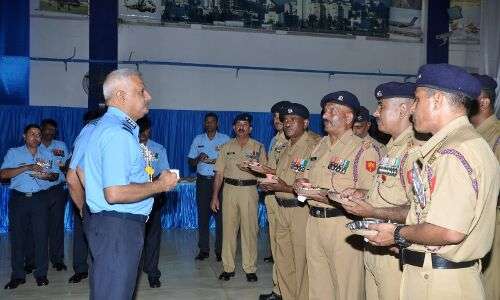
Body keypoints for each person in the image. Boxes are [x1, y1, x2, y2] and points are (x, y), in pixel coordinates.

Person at [366, 64, 500, 300]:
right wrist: (410, 241)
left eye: (417, 100)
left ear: (437, 100)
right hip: (436, 274)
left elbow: (448, 231)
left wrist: (398, 234)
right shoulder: (467, 142)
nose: (412, 110)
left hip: (438, 283)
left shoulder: (454, 151)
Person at [83, 68, 178, 299]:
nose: (149, 96)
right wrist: (160, 184)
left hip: (111, 225)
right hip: (118, 228)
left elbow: (85, 174)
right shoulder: (118, 133)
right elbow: (114, 193)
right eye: (141, 90)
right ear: (121, 96)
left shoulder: (109, 128)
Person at [294, 91, 380, 300]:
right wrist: (299, 183)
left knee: (347, 289)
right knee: (318, 287)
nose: (325, 115)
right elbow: (302, 176)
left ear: (349, 118)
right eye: (325, 110)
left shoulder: (363, 149)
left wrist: (354, 194)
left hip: (343, 226)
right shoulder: (319, 145)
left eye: (332, 110)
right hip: (314, 222)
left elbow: (372, 194)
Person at [340, 82, 417, 300]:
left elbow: (419, 211)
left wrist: (372, 211)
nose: (375, 112)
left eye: (381, 106)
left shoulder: (415, 151)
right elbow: (389, 192)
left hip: (395, 249)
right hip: (374, 246)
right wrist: (362, 192)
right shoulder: (391, 147)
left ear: (403, 110)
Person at [255, 102, 320, 300]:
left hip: (299, 209)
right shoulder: (286, 145)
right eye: (285, 120)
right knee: (283, 261)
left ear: (306, 122)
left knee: (301, 262)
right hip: (281, 208)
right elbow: (283, 174)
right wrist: (266, 177)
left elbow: (313, 185)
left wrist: (280, 187)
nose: (288, 123)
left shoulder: (314, 145)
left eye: (293, 120)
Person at [1, 124, 60, 289]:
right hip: (19, 199)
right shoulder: (14, 153)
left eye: (39, 134)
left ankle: (41, 274)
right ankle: (18, 275)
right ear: (24, 136)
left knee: (41, 237)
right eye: (32, 134)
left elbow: (55, 175)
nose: (36, 137)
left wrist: (47, 175)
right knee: (18, 238)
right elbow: (3, 174)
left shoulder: (46, 154)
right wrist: (27, 167)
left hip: (40, 199)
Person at [211, 113, 267, 282]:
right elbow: (219, 174)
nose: (241, 127)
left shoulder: (258, 147)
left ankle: (250, 268)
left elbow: (265, 172)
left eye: (245, 124)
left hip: (249, 191)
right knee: (228, 230)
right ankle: (228, 268)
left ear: (250, 128)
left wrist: (254, 170)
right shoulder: (225, 147)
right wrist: (215, 196)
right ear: (233, 127)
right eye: (238, 124)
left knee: (250, 230)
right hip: (229, 190)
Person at [66, 107, 107, 284]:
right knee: (83, 232)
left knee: (100, 235)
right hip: (86, 193)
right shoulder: (90, 131)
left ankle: (99, 270)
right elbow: (73, 171)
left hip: (104, 193)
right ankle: (81, 268)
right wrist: (82, 205)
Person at [469, 73, 499, 300]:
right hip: (470, 224)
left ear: (484, 102)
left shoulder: (496, 137)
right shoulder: (469, 136)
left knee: (489, 288)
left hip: (493, 225)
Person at [188, 112, 229, 262]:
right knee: (203, 217)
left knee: (221, 218)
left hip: (220, 182)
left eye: (212, 122)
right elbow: (191, 162)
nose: (209, 124)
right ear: (204, 124)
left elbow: (230, 161)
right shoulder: (198, 139)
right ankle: (204, 250)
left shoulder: (225, 139)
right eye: (207, 122)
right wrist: (198, 158)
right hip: (203, 182)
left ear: (217, 124)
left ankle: (220, 250)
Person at [137, 115, 171, 288]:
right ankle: (131, 272)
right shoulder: (127, 147)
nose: (144, 133)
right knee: (134, 237)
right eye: (140, 129)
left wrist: (157, 180)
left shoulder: (158, 148)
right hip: (132, 199)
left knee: (152, 236)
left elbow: (165, 172)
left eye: (146, 129)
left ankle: (152, 272)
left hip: (153, 198)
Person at [262, 100, 291, 299]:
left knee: (284, 247)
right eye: (274, 116)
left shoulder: (291, 140)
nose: (275, 120)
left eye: (278, 116)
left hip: (284, 195)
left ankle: (283, 290)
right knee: (275, 244)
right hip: (271, 195)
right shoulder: (275, 140)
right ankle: (277, 287)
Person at [38, 118, 70, 271]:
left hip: (57, 191)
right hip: (38, 192)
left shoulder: (61, 146)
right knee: (37, 227)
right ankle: (34, 260)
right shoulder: (34, 146)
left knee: (57, 227)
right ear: (41, 129)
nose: (50, 132)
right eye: (47, 129)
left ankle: (57, 259)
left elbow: (67, 166)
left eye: (53, 130)